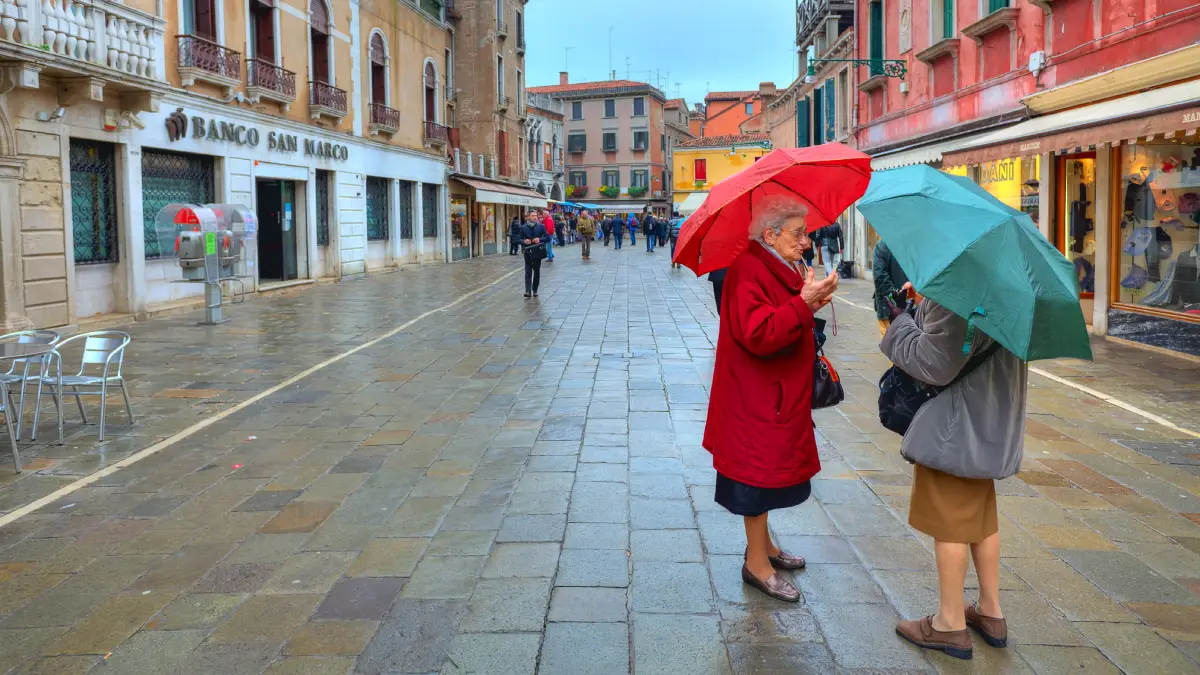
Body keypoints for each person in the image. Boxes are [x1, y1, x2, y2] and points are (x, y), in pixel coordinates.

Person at [703, 196, 838, 603]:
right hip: (755, 398)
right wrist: (804, 302)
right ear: (770, 235)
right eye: (798, 233)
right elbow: (759, 333)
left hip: (773, 394)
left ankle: (766, 548)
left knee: (769, 477)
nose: (806, 240)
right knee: (755, 481)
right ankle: (756, 565)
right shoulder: (747, 270)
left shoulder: (779, 264)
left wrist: (808, 296)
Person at [882, 298, 1026, 661]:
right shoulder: (1011, 291)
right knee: (981, 519)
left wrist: (900, 324)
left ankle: (949, 623)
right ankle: (990, 611)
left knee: (950, 524)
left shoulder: (961, 294)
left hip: (956, 426)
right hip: (991, 419)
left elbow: (935, 363)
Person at [873, 240, 910, 339]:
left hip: (889, 308)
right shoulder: (915, 244)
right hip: (911, 305)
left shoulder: (882, 245)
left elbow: (880, 278)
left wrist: (895, 301)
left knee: (891, 345)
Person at [519, 213, 550, 298]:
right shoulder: (523, 227)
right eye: (532, 215)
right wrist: (523, 242)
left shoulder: (541, 226)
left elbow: (548, 238)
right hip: (528, 252)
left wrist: (539, 239)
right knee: (528, 271)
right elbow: (518, 238)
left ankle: (535, 290)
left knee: (536, 272)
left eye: (536, 216)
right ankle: (528, 291)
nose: (535, 217)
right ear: (528, 217)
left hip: (537, 252)